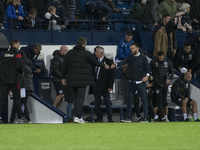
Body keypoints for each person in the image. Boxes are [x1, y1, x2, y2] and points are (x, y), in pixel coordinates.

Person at [61, 37, 109, 124]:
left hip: (71, 79)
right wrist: (104, 65)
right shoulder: (86, 53)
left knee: (76, 98)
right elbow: (94, 62)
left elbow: (64, 65)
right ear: (84, 44)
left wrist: (63, 77)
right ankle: (78, 116)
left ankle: (77, 116)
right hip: (82, 80)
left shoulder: (70, 53)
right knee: (80, 98)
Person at [111, 42, 151, 123]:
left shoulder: (143, 58)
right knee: (129, 99)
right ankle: (128, 117)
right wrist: (116, 64)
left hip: (141, 82)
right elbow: (123, 62)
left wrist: (146, 76)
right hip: (132, 82)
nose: (131, 50)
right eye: (131, 49)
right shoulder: (130, 57)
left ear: (137, 48)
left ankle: (145, 117)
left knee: (143, 99)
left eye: (133, 48)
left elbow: (148, 69)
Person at [0, 39, 24, 123]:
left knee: (2, 99)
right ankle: (20, 118)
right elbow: (18, 66)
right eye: (18, 44)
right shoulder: (17, 54)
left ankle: (0, 117)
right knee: (17, 99)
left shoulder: (4, 54)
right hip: (14, 80)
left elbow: (1, 66)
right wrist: (22, 72)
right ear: (16, 44)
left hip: (4, 80)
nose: (19, 45)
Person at [90, 46, 114, 122]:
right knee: (97, 101)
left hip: (105, 84)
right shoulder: (94, 61)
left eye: (97, 52)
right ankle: (99, 117)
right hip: (96, 83)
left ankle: (110, 118)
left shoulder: (108, 61)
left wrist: (110, 86)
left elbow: (111, 75)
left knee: (107, 101)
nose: (95, 53)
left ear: (101, 52)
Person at [150, 51, 174, 122]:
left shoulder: (168, 62)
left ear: (164, 56)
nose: (160, 59)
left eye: (161, 58)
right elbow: (149, 70)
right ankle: (162, 117)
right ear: (157, 56)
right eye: (159, 58)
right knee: (159, 100)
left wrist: (169, 79)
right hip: (157, 84)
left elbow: (171, 72)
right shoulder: (153, 62)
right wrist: (150, 76)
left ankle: (159, 116)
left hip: (165, 84)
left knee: (164, 101)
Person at [18, 50, 34, 123]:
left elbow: (22, 78)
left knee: (23, 103)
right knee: (22, 103)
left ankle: (26, 118)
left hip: (24, 87)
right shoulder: (28, 65)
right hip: (29, 86)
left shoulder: (21, 66)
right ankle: (23, 117)